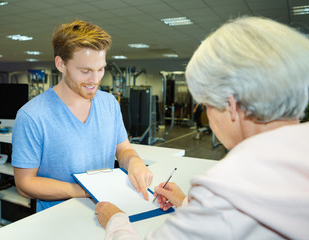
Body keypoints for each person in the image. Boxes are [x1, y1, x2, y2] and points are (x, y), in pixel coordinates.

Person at [95, 16, 309, 239]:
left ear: (231, 105)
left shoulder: (227, 187)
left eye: (207, 105)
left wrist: (116, 220)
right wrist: (189, 205)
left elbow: (226, 214)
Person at [11, 19, 153, 212]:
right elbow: (25, 184)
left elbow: (123, 150)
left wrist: (135, 161)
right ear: (61, 64)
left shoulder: (109, 103)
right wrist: (84, 190)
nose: (95, 80)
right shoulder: (32, 115)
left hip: (107, 210)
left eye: (100, 69)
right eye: (85, 71)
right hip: (58, 219)